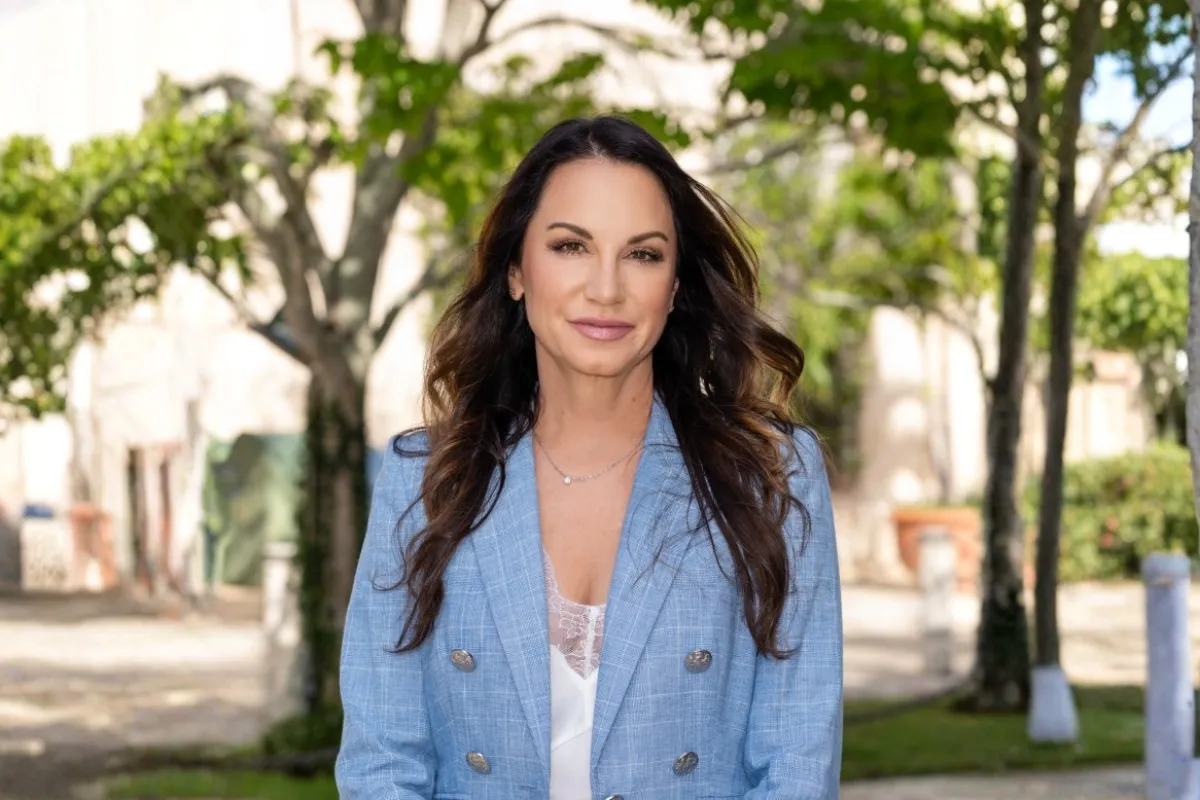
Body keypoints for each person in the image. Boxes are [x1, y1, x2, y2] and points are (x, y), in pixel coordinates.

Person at [335, 115, 843, 799]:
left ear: (676, 284)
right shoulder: (428, 480)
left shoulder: (769, 476)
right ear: (517, 270)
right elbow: (381, 762)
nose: (606, 288)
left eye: (643, 255)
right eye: (571, 246)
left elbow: (797, 767)